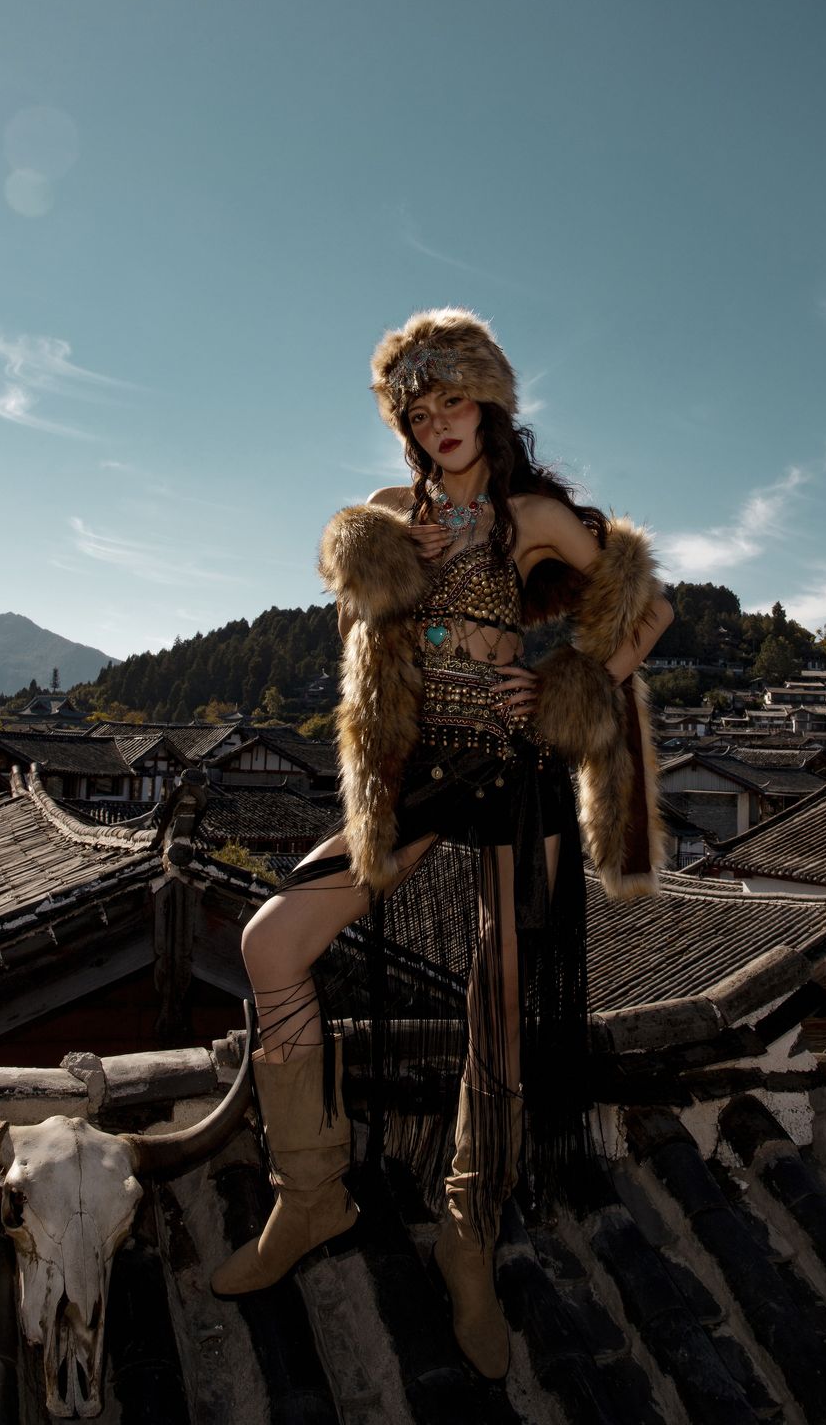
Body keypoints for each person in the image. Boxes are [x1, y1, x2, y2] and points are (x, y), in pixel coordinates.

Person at [211, 307, 672, 1380]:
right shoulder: (387, 512)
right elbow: (353, 642)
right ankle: (310, 1195)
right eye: (418, 415)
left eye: (453, 402)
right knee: (272, 943)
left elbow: (644, 609)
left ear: (489, 403)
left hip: (513, 774)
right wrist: (383, 566)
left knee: (497, 1004)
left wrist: (568, 681)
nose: (438, 425)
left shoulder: (534, 516)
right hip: (415, 771)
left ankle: (470, 1232)